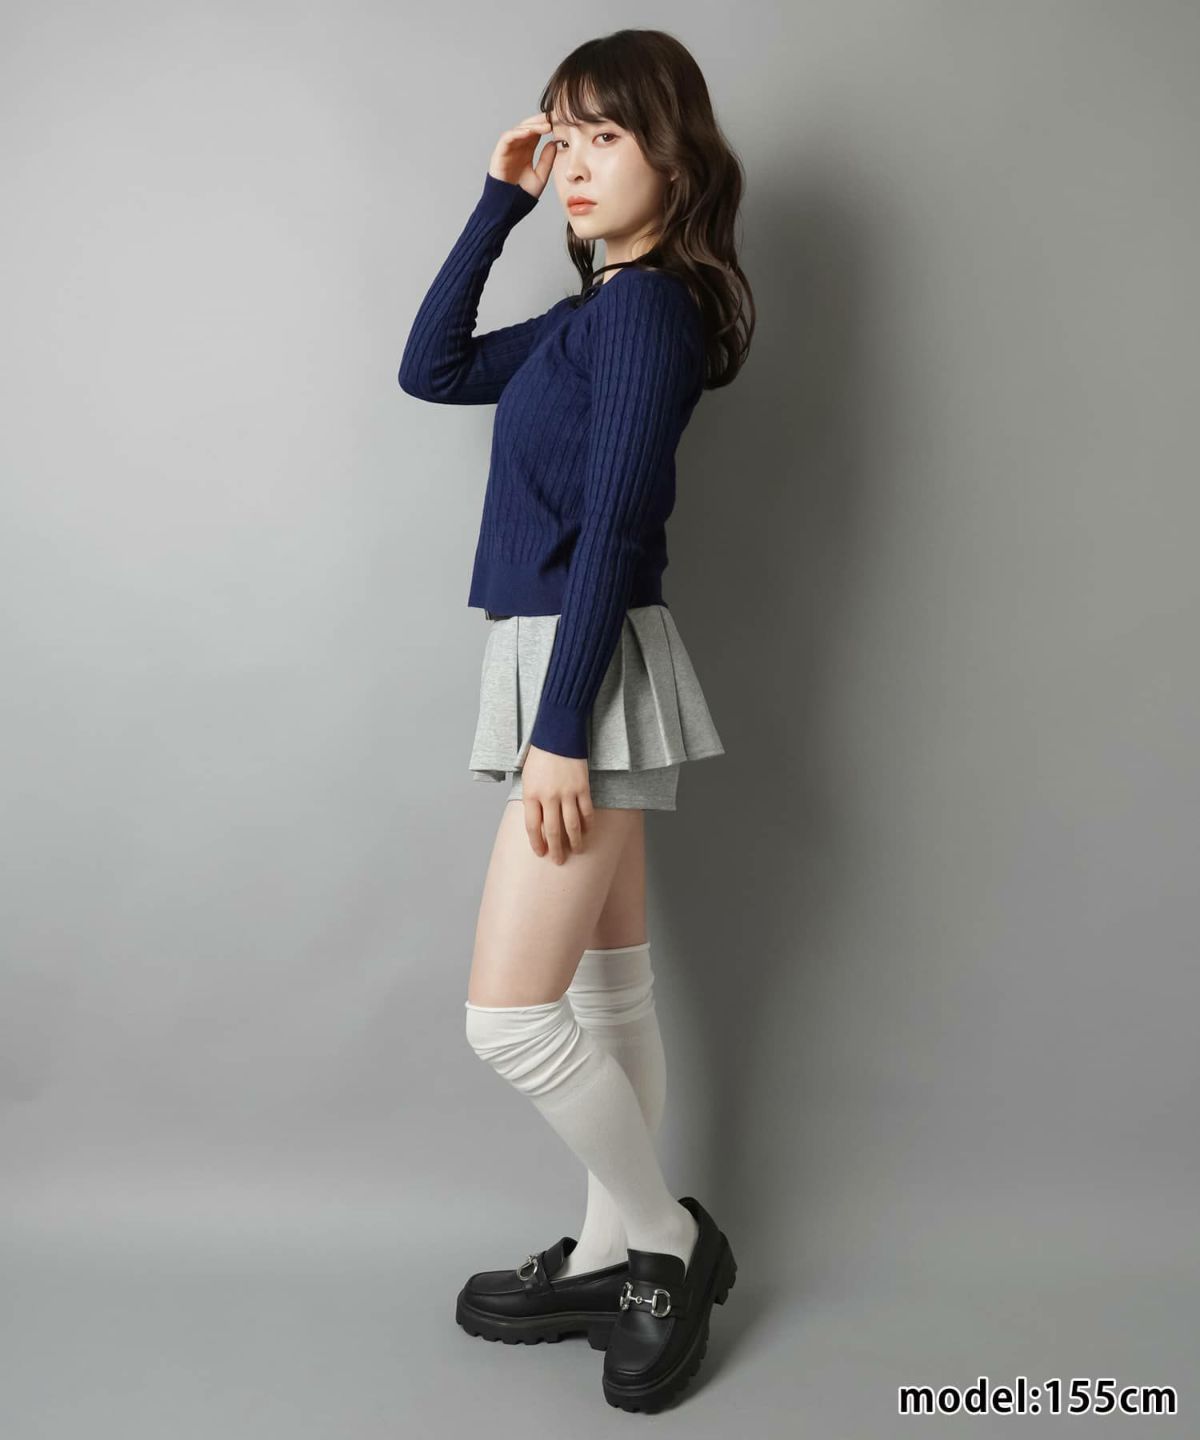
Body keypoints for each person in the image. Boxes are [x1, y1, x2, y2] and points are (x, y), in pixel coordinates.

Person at [397, 28, 754, 1412]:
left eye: (605, 134)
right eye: (565, 134)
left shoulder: (652, 312)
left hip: (580, 669)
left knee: (510, 1019)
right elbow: (433, 369)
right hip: (569, 659)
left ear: (677, 154)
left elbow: (615, 526)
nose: (576, 161)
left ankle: (665, 1238)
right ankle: (611, 1253)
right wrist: (502, 197)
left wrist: (561, 729)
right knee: (610, 989)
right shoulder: (593, 314)